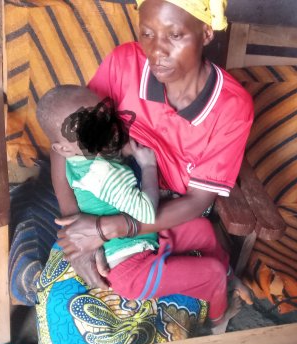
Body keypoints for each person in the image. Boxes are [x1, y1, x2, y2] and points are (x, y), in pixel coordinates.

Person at [51, 0, 254, 326]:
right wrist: (79, 235)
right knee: (65, 304)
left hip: (171, 211)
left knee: (199, 246)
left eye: (174, 35)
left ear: (205, 33)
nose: (156, 51)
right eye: (147, 34)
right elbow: (66, 138)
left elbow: (198, 201)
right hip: (101, 199)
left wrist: (108, 229)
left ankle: (222, 287)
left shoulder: (231, 107)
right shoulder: (124, 64)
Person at [37, 84, 243, 332]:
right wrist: (148, 167)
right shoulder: (103, 174)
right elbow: (147, 211)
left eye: (104, 116)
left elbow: (72, 144)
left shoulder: (80, 158)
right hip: (131, 270)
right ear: (63, 149)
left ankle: (229, 277)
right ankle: (218, 319)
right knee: (213, 273)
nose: (106, 129)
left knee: (202, 230)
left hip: (136, 240)